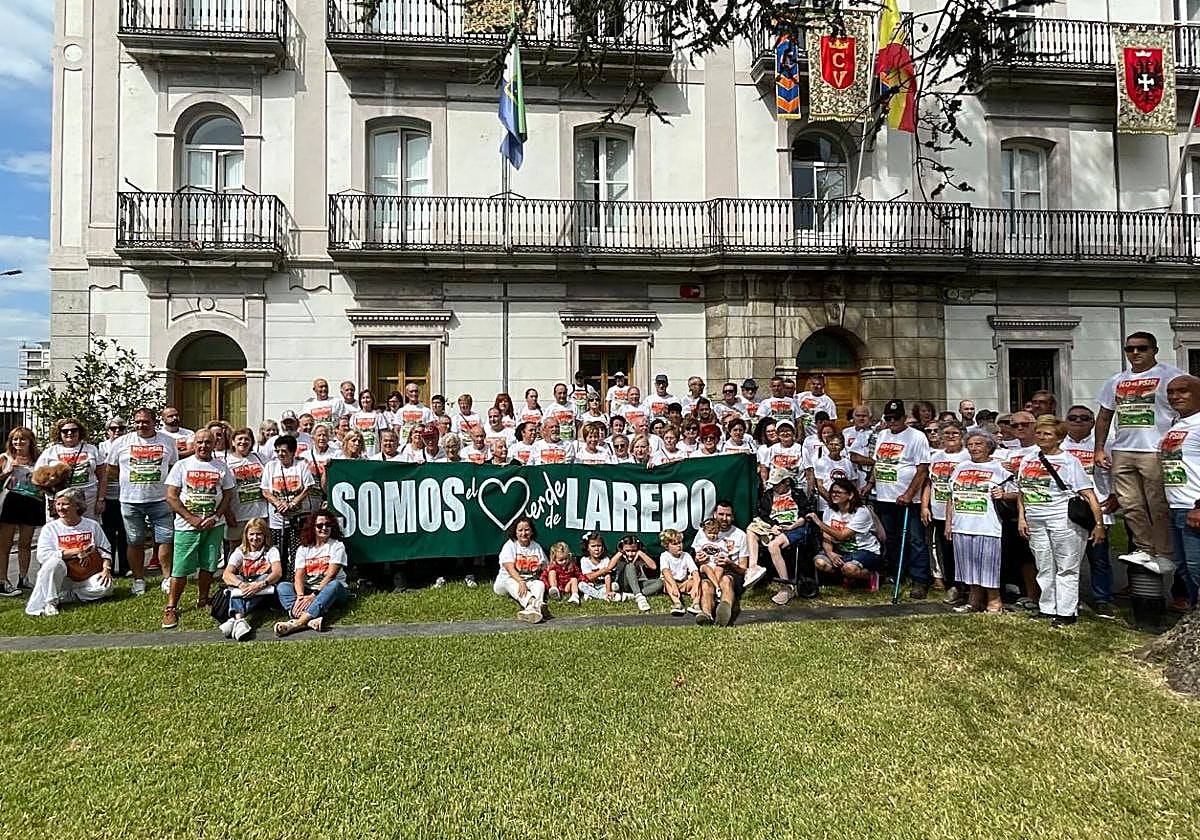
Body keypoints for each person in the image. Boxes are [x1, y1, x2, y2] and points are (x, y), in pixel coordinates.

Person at [1095, 331, 1185, 571]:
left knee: (1157, 504)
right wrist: (1099, 450)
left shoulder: (1171, 376)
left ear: (1154, 350)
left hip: (1155, 449)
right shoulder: (1116, 380)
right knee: (1131, 505)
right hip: (1123, 449)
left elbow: (1187, 406)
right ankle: (1145, 549)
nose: (1135, 353)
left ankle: (1165, 553)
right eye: (1130, 349)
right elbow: (1104, 417)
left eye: (1142, 348)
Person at [1016, 416, 1105, 628]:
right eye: (1039, 433)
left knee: (1066, 566)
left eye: (1047, 434)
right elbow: (1022, 491)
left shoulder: (1069, 461)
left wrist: (1098, 524)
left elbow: (1088, 494)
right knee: (1044, 565)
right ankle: (1047, 608)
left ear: (1059, 438)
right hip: (1036, 521)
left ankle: (1067, 612)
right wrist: (1022, 517)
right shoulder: (1028, 459)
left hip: (1063, 520)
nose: (1042, 437)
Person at [99, 407, 178, 596]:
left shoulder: (167, 442)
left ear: (154, 423)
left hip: (160, 499)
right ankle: (138, 579)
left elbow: (173, 467)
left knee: (166, 539)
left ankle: (167, 578)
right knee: (134, 541)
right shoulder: (122, 442)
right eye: (137, 422)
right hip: (130, 500)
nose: (141, 425)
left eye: (145, 421)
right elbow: (112, 469)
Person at [162, 428, 235, 630]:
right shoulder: (181, 465)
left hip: (214, 525)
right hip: (187, 526)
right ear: (194, 444)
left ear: (214, 445)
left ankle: (203, 598)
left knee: (209, 564)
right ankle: (171, 607)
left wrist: (217, 516)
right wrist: (191, 518)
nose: (203, 446)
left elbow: (228, 494)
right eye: (200, 442)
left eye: (208, 442)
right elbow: (171, 495)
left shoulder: (221, 466)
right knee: (181, 568)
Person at [861, 399, 931, 599]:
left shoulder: (917, 437)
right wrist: (870, 483)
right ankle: (895, 573)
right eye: (888, 418)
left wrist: (909, 494)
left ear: (904, 417)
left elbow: (922, 469)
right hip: (884, 496)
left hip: (908, 499)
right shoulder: (883, 434)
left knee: (915, 539)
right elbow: (878, 463)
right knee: (890, 538)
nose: (892, 422)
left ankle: (919, 579)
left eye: (895, 418)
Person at [945, 433, 1011, 614]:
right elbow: (951, 496)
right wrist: (948, 523)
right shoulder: (960, 467)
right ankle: (974, 601)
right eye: (971, 444)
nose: (974, 448)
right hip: (962, 523)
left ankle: (994, 601)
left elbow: (1017, 492)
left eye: (978, 444)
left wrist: (1004, 495)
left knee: (988, 566)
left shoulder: (1000, 468)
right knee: (968, 566)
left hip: (987, 525)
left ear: (989, 446)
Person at [1060, 405, 1117, 618]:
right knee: (1067, 558)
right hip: (1066, 509)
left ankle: (1103, 599)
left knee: (1099, 558)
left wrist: (1116, 496)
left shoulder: (1104, 445)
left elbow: (1118, 474)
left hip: (1098, 507)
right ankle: (1071, 599)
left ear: (1093, 423)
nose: (1078, 421)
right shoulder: (1058, 445)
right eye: (1073, 417)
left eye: (1084, 418)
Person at [25, 488, 115, 616]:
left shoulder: (92, 525)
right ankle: (50, 602)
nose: (60, 508)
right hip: (61, 577)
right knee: (54, 563)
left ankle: (66, 597)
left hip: (86, 574)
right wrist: (74, 551)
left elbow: (105, 549)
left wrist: (106, 569)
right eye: (58, 504)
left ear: (78, 506)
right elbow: (42, 556)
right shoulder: (50, 528)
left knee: (106, 586)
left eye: (65, 504)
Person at [275, 509, 350, 635]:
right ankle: (310, 620)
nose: (324, 528)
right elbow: (298, 575)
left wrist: (313, 596)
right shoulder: (303, 549)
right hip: (308, 590)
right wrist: (300, 597)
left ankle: (297, 623)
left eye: (328, 525)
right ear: (312, 528)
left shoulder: (337, 546)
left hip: (332, 591)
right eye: (320, 525)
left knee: (335, 585)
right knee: (282, 587)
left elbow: (331, 576)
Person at [1162, 375, 1200, 609]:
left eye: (1183, 391)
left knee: (1197, 567)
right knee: (1184, 568)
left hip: (1194, 506)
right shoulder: (1177, 424)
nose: (1175, 396)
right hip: (1176, 506)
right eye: (1171, 392)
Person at [747, 467, 811, 600]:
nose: (775, 487)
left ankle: (786, 587)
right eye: (774, 484)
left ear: (787, 482)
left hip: (795, 527)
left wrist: (792, 526)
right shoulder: (769, 495)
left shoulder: (798, 494)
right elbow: (763, 514)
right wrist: (773, 526)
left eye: (778, 484)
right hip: (775, 525)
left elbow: (806, 514)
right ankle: (753, 568)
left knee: (773, 546)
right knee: (751, 529)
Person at [922, 421, 969, 603]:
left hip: (961, 513)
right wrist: (925, 507)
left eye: (955, 433)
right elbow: (929, 483)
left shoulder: (967, 456)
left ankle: (965, 586)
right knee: (946, 552)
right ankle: (952, 586)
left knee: (961, 551)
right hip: (938, 511)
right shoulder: (936, 457)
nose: (950, 437)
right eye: (946, 433)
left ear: (962, 435)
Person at [807, 478, 882, 589]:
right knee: (820, 563)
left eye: (839, 492)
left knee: (849, 568)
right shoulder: (830, 510)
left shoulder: (861, 512)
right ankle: (847, 577)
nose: (834, 495)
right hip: (841, 550)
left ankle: (870, 576)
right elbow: (826, 535)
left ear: (850, 495)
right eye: (832, 492)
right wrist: (830, 553)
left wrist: (819, 523)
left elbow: (842, 535)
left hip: (864, 550)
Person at [218, 517, 282, 641]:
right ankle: (239, 620)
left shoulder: (271, 550)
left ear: (265, 535)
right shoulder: (240, 551)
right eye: (251, 534)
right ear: (246, 535)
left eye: (259, 534)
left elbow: (277, 572)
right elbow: (226, 574)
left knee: (263, 576)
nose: (255, 537)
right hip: (246, 586)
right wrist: (241, 584)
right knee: (234, 580)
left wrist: (260, 584)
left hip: (263, 587)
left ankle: (234, 619)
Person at [260, 434, 315, 569]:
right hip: (277, 519)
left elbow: (308, 487)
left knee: (297, 551)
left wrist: (293, 503)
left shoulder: (301, 465)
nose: (280, 454)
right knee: (279, 552)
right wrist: (278, 504)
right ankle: (280, 578)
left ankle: (295, 578)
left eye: (284, 451)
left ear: (292, 451)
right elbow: (265, 491)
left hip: (299, 517)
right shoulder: (270, 466)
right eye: (277, 451)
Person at [0, 427, 44, 595]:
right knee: (5, 544)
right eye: (15, 439)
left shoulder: (38, 459)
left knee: (25, 543)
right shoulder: (5, 458)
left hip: (33, 502)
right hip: (11, 501)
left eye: (22, 439)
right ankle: (2, 581)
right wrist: (6, 472)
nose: (18, 443)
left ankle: (23, 578)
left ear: (30, 441)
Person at [692, 500, 749, 627]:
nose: (724, 518)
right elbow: (695, 560)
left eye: (728, 515)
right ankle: (706, 615)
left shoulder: (740, 535)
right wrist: (698, 559)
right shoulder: (703, 532)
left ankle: (724, 612)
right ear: (714, 514)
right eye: (721, 514)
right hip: (708, 569)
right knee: (706, 585)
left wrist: (729, 563)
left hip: (730, 572)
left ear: (733, 516)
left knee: (726, 581)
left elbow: (744, 570)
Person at [36, 418, 102, 520]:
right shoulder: (50, 452)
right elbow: (37, 478)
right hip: (60, 501)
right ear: (59, 433)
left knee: (87, 529)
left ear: (80, 432)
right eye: (65, 431)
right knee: (59, 530)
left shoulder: (91, 449)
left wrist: (101, 499)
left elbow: (103, 477)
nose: (69, 433)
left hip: (88, 501)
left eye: (74, 430)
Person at [492, 515, 548, 623]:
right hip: (506, 582)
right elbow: (510, 568)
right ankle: (535, 603)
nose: (524, 533)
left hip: (529, 580)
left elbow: (545, 566)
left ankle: (532, 610)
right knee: (510, 582)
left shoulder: (536, 547)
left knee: (539, 584)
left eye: (527, 530)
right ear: (515, 532)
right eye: (520, 530)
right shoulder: (510, 545)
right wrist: (521, 581)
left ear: (531, 532)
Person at [224, 426, 269, 553]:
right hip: (237, 514)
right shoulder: (226, 462)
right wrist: (227, 513)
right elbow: (224, 491)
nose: (243, 442)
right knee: (236, 549)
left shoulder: (260, 458)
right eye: (240, 439)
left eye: (247, 439)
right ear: (233, 442)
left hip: (260, 513)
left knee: (259, 548)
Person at [96, 416, 128, 577]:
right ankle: (109, 566)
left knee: (125, 532)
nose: (117, 432)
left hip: (125, 495)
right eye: (113, 429)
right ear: (107, 431)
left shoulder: (129, 444)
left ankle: (125, 567)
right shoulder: (101, 448)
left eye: (121, 429)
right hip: (107, 495)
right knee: (108, 533)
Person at [613, 534, 662, 612]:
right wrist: (619, 553)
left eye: (633, 551)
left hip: (639, 585)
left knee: (660, 583)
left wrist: (640, 553)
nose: (630, 553)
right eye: (627, 551)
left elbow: (653, 566)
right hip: (625, 584)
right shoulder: (621, 558)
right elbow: (609, 567)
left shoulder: (640, 558)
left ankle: (631, 596)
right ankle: (639, 596)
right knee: (630, 566)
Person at [659, 528, 701, 615]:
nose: (679, 546)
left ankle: (696, 604)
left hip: (683, 583)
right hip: (671, 583)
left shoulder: (686, 555)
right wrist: (674, 586)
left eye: (680, 543)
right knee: (667, 581)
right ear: (667, 546)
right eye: (675, 544)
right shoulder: (664, 556)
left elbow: (695, 572)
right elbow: (666, 572)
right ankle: (677, 604)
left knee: (696, 581)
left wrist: (696, 586)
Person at [579, 531, 621, 602]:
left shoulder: (606, 559)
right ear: (587, 548)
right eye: (593, 546)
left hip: (604, 585)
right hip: (591, 585)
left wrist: (608, 591)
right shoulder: (584, 560)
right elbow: (589, 577)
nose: (596, 549)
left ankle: (594, 595)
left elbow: (608, 576)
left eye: (599, 546)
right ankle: (603, 597)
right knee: (581, 585)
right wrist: (602, 571)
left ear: (603, 547)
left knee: (615, 586)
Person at [349, 389, 387, 457]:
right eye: (363, 398)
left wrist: (383, 452)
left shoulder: (378, 415)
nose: (365, 400)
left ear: (372, 400)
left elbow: (383, 435)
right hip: (358, 452)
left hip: (374, 452)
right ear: (360, 401)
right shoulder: (354, 416)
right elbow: (350, 436)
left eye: (368, 397)